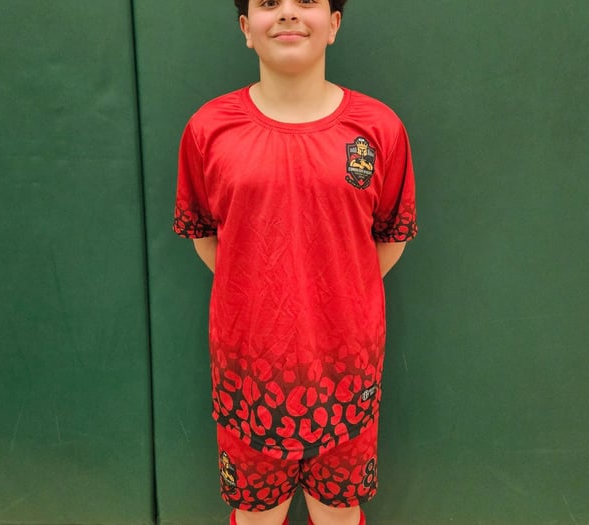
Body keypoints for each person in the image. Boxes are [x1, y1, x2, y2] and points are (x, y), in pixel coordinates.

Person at [173, 1, 417, 524]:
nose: (287, 13)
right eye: (268, 3)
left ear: (333, 23)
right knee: (255, 515)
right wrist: (264, 288)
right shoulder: (208, 129)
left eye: (306, 0)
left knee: (338, 512)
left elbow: (390, 238)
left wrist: (335, 289)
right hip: (249, 372)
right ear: (246, 28)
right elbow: (206, 236)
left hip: (346, 371)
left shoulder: (379, 129)